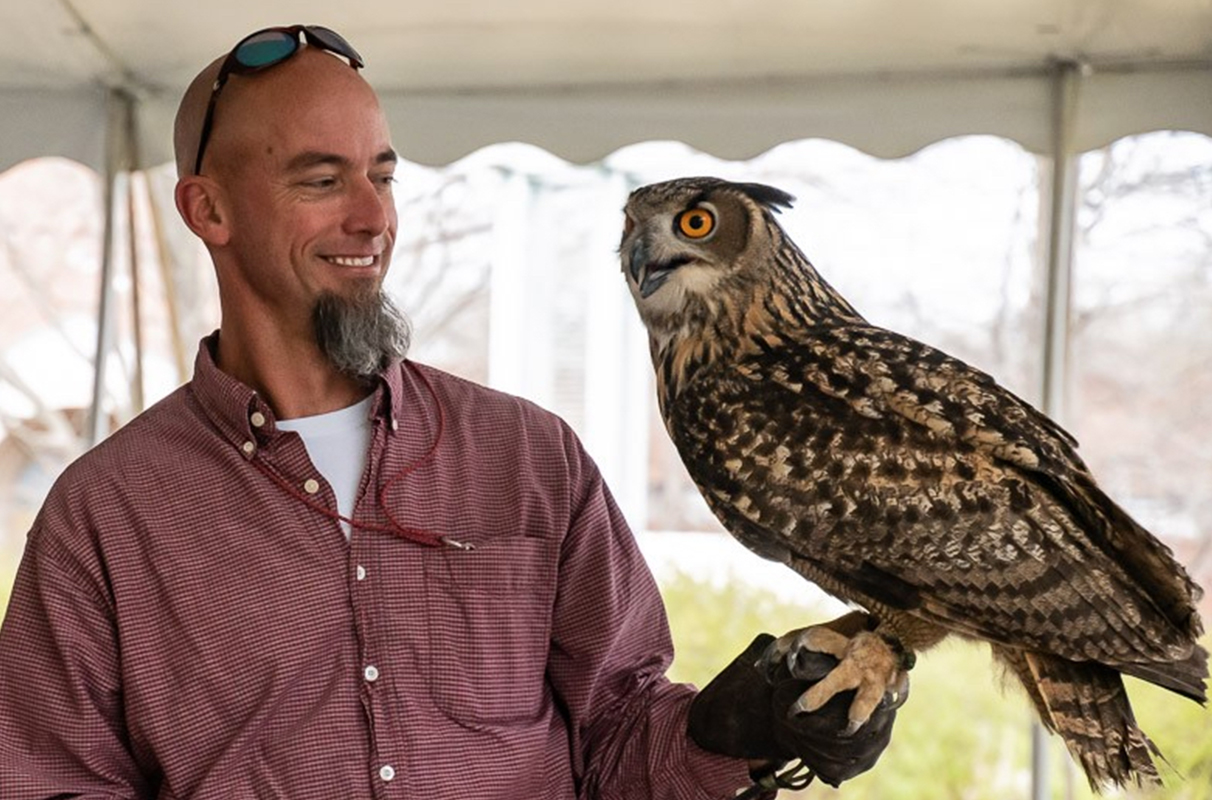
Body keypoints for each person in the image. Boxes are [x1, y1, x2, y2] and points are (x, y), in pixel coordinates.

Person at [0, 25, 899, 799]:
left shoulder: (530, 458)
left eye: (381, 176)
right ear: (209, 209)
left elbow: (618, 735)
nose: (372, 217)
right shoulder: (107, 513)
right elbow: (48, 779)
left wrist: (740, 727)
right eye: (322, 181)